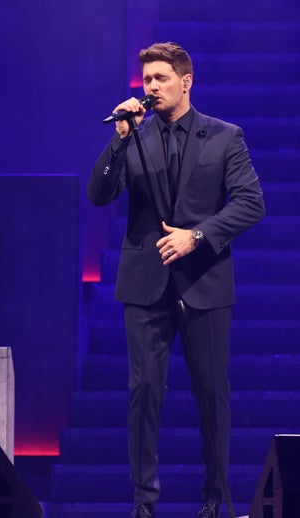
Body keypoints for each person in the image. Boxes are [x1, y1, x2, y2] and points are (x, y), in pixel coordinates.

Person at [88, 42, 265, 518]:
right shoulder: (134, 136)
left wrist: (197, 236)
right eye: (146, 79)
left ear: (186, 82)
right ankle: (144, 502)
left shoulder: (224, 136)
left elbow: (251, 203)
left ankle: (212, 499)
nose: (151, 87)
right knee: (144, 390)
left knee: (211, 393)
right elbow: (99, 193)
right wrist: (119, 138)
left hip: (203, 279)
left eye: (160, 78)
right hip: (145, 283)